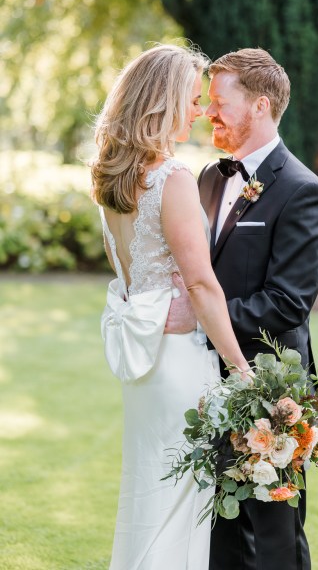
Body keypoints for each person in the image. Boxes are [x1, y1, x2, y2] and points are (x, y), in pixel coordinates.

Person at [168, 48, 318, 570]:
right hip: (203, 384)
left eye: (220, 102)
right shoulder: (209, 179)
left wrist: (203, 317)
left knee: (276, 536)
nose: (208, 112)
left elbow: (288, 304)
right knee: (219, 533)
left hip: (270, 393)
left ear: (260, 106)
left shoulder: (303, 191)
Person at [90, 44, 250, 570]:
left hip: (144, 364)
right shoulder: (171, 178)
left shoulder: (113, 178)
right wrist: (242, 369)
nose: (201, 111)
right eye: (191, 98)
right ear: (162, 102)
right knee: (177, 509)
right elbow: (201, 286)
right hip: (179, 360)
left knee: (147, 499)